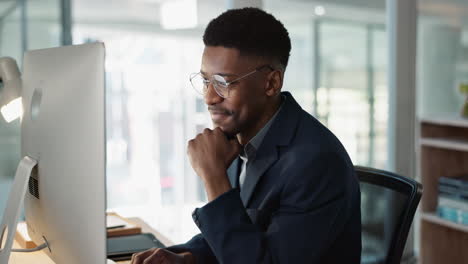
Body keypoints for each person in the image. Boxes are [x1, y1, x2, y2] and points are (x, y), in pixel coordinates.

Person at [131, 7, 361, 264]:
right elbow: (239, 234)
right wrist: (185, 258)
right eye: (206, 81)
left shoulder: (316, 163)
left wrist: (214, 177)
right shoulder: (240, 137)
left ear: (271, 83)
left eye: (224, 82)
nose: (209, 97)